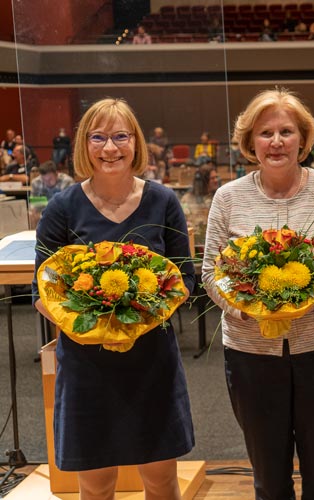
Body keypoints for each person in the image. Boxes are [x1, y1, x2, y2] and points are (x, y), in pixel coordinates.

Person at [201, 88, 314, 500]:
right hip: (250, 354)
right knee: (269, 480)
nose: (276, 142)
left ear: (304, 139)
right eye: (265, 133)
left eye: (287, 132)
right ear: (250, 142)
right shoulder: (228, 198)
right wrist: (245, 309)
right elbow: (210, 273)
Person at [32, 97, 196, 499]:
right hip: (88, 367)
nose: (110, 148)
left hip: (151, 362)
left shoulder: (163, 201)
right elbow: (44, 292)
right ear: (84, 146)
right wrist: (97, 325)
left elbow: (184, 280)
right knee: (96, 486)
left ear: (136, 143)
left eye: (121, 136)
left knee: (160, 483)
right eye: (99, 137)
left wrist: (135, 317)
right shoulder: (62, 208)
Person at [180, 163, 219, 247]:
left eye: (216, 177)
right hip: (196, 242)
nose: (216, 180)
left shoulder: (218, 198)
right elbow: (184, 222)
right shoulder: (187, 199)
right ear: (204, 181)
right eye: (212, 178)